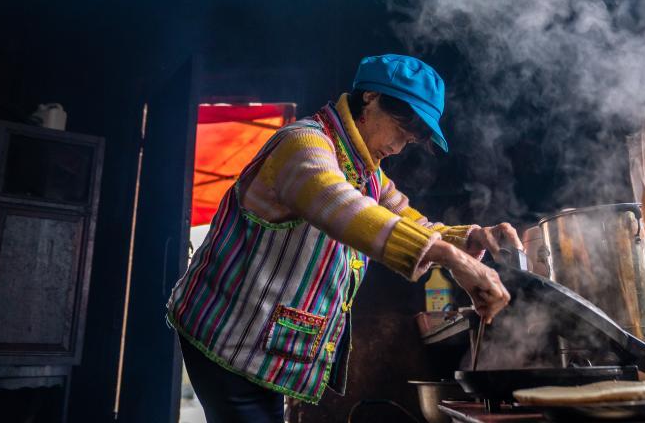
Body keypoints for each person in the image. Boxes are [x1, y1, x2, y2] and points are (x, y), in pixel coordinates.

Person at [167, 54, 521, 422]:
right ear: (370, 97)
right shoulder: (303, 143)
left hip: (258, 344)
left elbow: (411, 222)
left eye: (410, 140)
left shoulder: (367, 172)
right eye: (400, 129)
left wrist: (471, 239)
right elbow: (343, 207)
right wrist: (450, 258)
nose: (398, 147)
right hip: (228, 333)